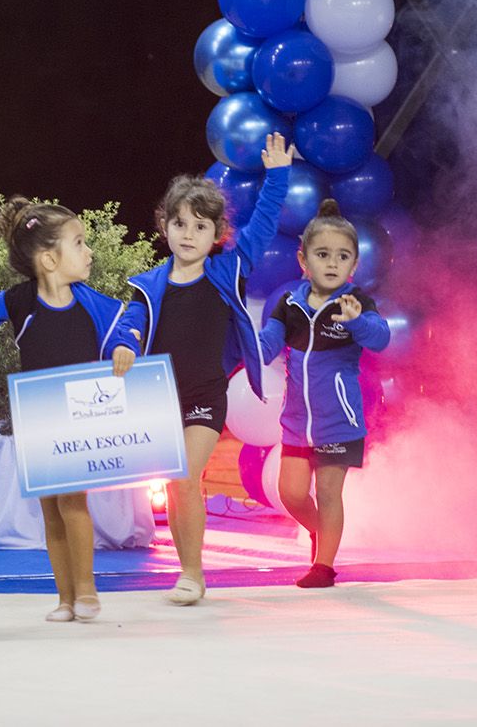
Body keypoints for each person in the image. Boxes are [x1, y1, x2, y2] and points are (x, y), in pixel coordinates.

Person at [0, 198, 138, 622]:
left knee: (74, 504)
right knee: (49, 512)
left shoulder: (90, 302)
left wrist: (127, 343)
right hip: (38, 420)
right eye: (79, 243)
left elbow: (131, 315)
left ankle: (88, 590)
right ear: (50, 259)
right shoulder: (19, 302)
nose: (89, 252)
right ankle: (65, 599)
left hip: (78, 419)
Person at [122, 133, 291, 605]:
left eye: (200, 226)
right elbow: (130, 324)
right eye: (179, 224)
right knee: (180, 489)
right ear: (164, 226)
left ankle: (193, 576)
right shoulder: (148, 285)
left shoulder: (227, 269)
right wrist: (126, 344)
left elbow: (261, 225)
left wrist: (277, 176)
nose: (188, 234)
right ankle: (185, 569)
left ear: (217, 233)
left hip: (205, 394)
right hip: (159, 399)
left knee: (184, 477)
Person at [260, 199, 390, 588]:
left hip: (340, 423)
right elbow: (268, 345)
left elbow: (381, 338)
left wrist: (358, 322)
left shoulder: (357, 303)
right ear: (304, 260)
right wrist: (243, 346)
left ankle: (324, 567)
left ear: (354, 265)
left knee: (330, 492)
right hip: (297, 424)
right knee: (292, 494)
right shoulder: (290, 304)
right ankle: (322, 536)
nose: (332, 263)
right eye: (322, 254)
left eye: (342, 256)